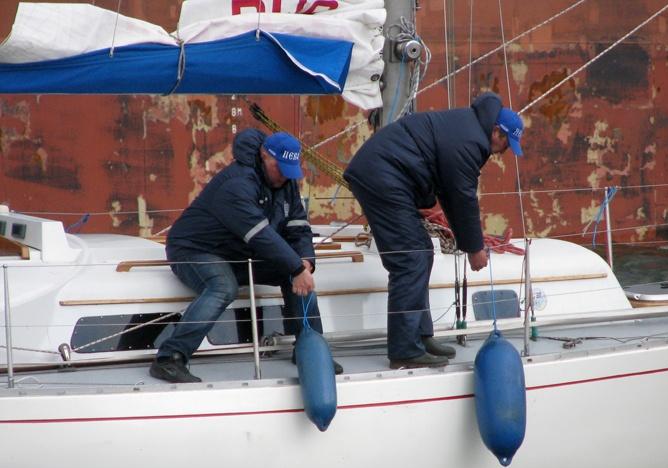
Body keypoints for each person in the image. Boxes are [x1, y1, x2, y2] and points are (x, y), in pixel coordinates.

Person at [343, 92, 524, 369]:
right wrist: (474, 249)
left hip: (387, 174)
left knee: (421, 251)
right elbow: (462, 197)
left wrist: (466, 242)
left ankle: (419, 336)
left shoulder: (469, 128)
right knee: (410, 258)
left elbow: (451, 194)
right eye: (506, 145)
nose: (504, 152)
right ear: (497, 132)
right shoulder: (472, 142)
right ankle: (404, 350)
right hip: (383, 177)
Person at [150, 129, 341, 383]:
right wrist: (296, 267)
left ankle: (309, 349)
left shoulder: (286, 182)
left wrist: (304, 262)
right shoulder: (237, 184)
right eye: (279, 168)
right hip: (195, 248)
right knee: (223, 286)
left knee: (293, 271)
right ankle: (169, 357)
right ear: (264, 155)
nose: (284, 176)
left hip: (239, 250)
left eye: (290, 170)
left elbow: (298, 227)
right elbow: (260, 235)